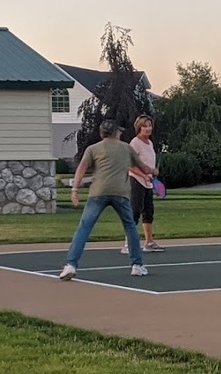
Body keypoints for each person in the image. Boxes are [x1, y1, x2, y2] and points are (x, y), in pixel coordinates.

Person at [59, 119, 159, 281]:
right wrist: (154, 171)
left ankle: (70, 264)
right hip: (121, 193)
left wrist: (75, 190)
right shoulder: (127, 148)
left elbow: (81, 169)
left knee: (84, 227)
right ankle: (137, 265)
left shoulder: (93, 149)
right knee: (130, 226)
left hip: (98, 192)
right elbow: (144, 168)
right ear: (115, 133)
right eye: (119, 131)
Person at [121, 115, 165, 253]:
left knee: (148, 212)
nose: (148, 129)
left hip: (148, 182)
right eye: (145, 126)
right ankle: (128, 244)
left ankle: (149, 242)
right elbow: (129, 165)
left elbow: (148, 164)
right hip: (136, 181)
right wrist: (143, 175)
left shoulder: (150, 143)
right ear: (139, 128)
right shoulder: (135, 143)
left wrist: (152, 173)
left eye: (150, 126)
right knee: (134, 212)